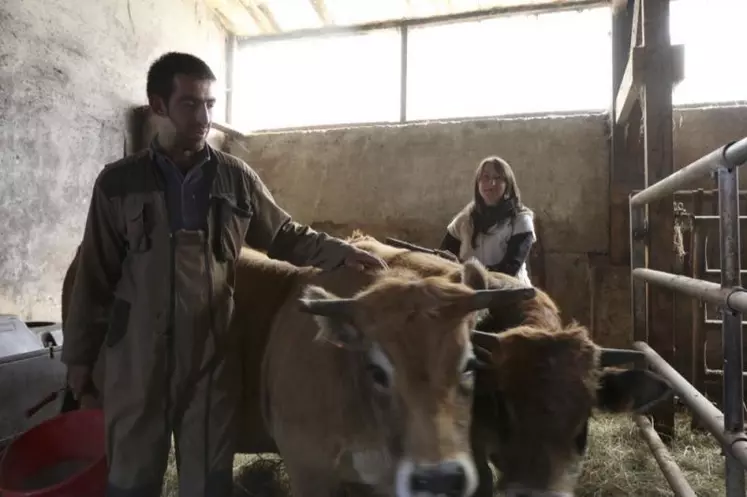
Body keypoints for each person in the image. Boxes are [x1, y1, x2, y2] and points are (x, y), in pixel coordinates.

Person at [62, 51, 387, 497]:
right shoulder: (118, 184)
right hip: (137, 360)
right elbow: (95, 276)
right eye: (191, 104)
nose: (205, 118)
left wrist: (340, 251)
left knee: (209, 484)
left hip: (210, 358)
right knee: (131, 482)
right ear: (158, 105)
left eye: (210, 104)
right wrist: (79, 360)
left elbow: (285, 234)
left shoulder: (236, 179)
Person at [439, 155, 536, 286]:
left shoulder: (521, 220)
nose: (492, 184)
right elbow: (443, 257)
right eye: (485, 177)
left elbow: (510, 268)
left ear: (508, 185)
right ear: (478, 183)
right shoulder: (465, 219)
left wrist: (470, 275)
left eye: (498, 178)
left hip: (511, 292)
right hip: (470, 293)